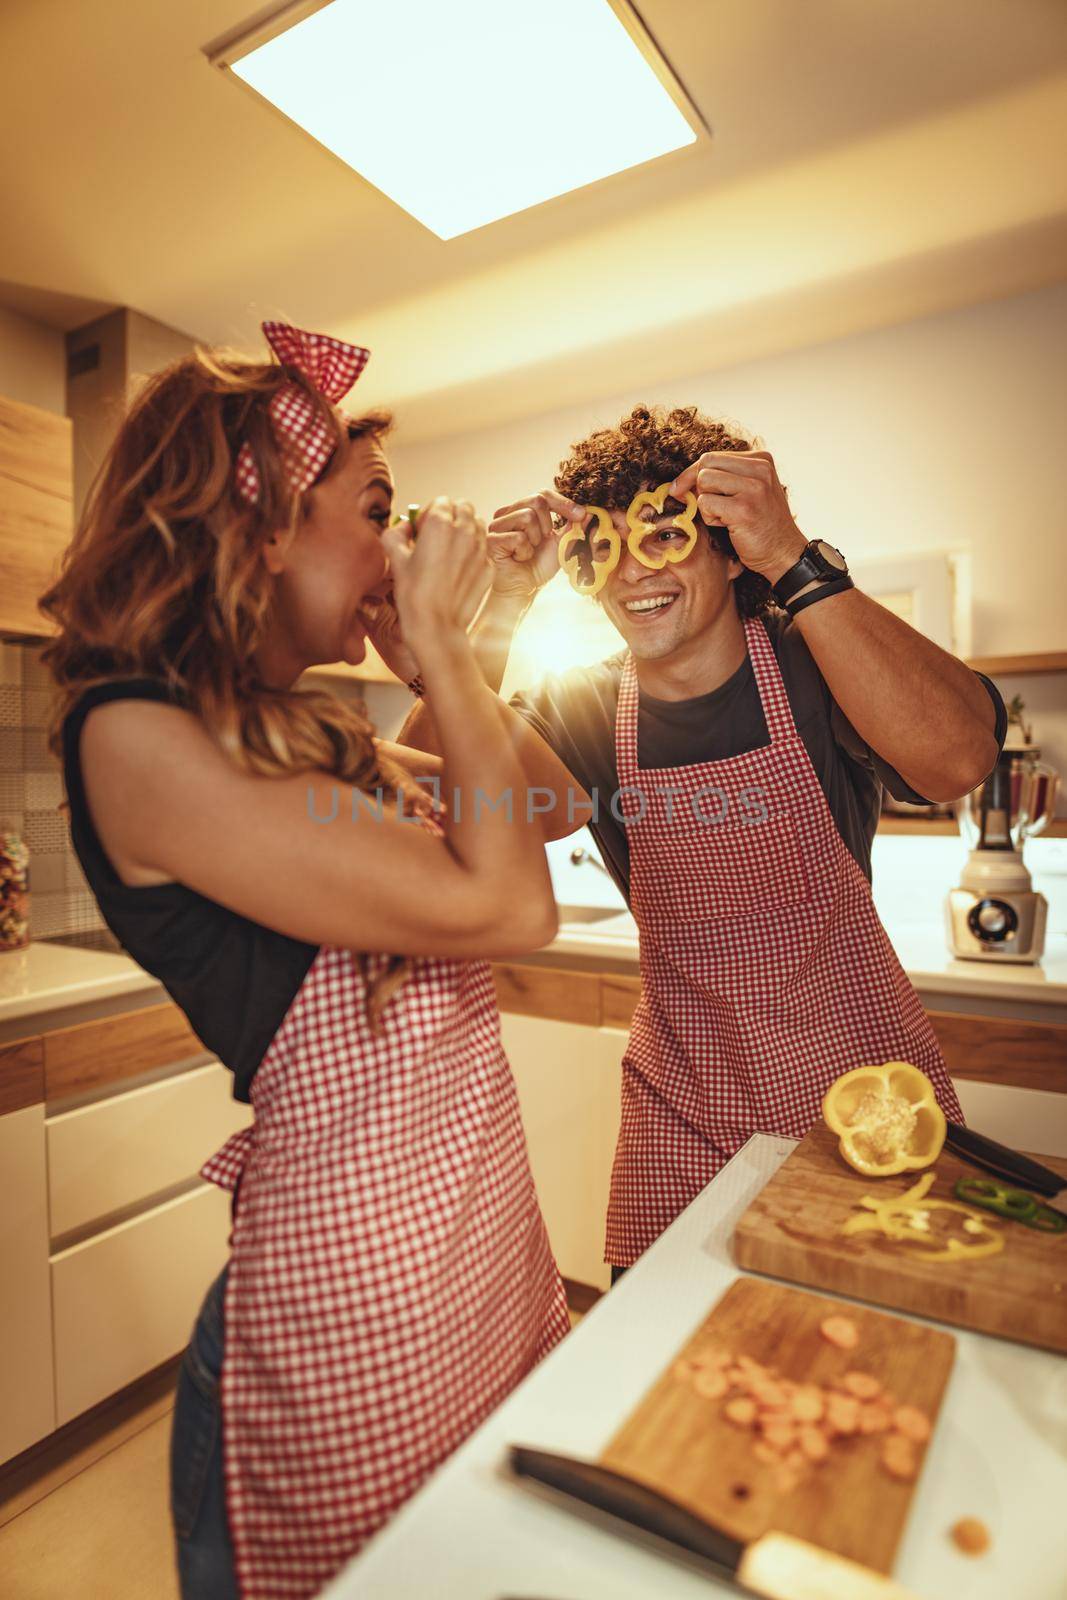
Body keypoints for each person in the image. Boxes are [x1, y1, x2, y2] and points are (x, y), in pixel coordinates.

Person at [40, 323, 573, 1599]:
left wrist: (449, 661)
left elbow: (545, 813)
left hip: (469, 1256)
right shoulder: (132, 736)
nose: (394, 549)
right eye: (374, 511)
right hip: (349, 1312)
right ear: (262, 519)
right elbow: (510, 906)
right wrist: (441, 646)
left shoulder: (310, 733)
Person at [396, 403, 1006, 1278]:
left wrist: (792, 554)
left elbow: (959, 759)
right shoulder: (580, 706)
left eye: (666, 536)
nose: (634, 572)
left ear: (724, 547)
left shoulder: (814, 657)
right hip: (678, 1104)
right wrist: (500, 608)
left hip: (859, 1093)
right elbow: (419, 809)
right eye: (603, 545)